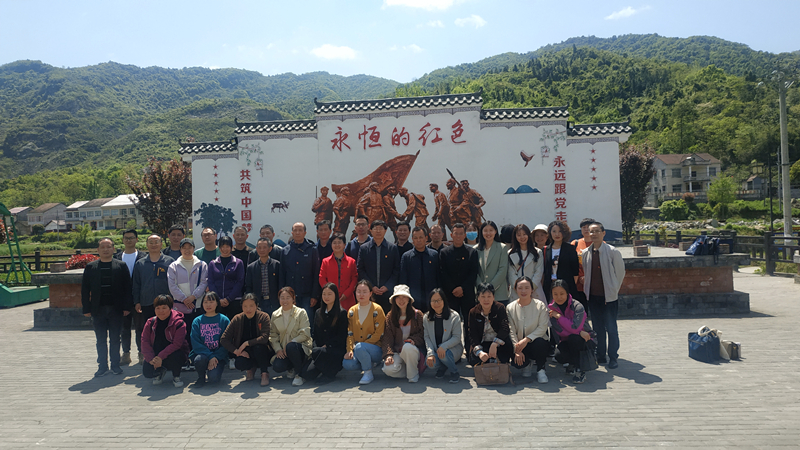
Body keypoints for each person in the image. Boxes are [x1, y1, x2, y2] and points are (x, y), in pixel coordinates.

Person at [82, 238, 133, 377]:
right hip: (97, 309)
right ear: (98, 250)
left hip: (116, 309)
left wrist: (127, 307)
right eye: (103, 247)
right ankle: (102, 366)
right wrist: (86, 308)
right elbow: (85, 289)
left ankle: (115, 365)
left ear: (113, 249)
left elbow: (127, 288)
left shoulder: (121, 266)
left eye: (108, 247)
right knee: (100, 339)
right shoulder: (91, 267)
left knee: (115, 338)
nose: (106, 249)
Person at [582, 222, 626, 369]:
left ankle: (613, 356)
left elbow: (620, 274)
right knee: (597, 328)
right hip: (593, 297)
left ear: (603, 233)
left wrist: (612, 291)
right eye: (591, 231)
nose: (593, 234)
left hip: (609, 298)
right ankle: (600, 355)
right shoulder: (586, 252)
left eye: (596, 231)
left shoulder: (613, 252)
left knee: (611, 328)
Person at [132, 235, 175, 365]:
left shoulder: (169, 261)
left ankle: (164, 355)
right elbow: (136, 284)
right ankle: (145, 354)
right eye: (151, 242)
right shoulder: (140, 263)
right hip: (146, 302)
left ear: (161, 244)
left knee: (165, 329)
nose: (154, 244)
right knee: (146, 330)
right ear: (147, 244)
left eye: (156, 242)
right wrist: (137, 301)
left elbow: (174, 282)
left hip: (165, 304)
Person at [548, 279, 596, 384]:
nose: (559, 297)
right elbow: (560, 331)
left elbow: (575, 328)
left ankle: (580, 370)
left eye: (562, 293)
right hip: (567, 340)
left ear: (567, 293)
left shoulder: (578, 307)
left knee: (574, 338)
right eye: (555, 294)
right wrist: (579, 332)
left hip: (586, 339)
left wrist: (559, 317)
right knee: (559, 356)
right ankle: (573, 363)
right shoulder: (552, 309)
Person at [220, 293, 272, 386]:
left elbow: (264, 338)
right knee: (239, 363)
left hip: (262, 351)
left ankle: (264, 373)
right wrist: (236, 351)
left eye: (251, 306)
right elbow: (224, 339)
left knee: (258, 348)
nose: (248, 309)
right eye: (245, 306)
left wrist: (247, 343)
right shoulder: (237, 319)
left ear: (256, 305)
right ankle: (250, 369)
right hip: (245, 352)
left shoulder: (264, 316)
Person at [300, 283, 349, 382]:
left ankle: (330, 373)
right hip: (320, 351)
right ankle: (323, 369)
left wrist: (327, 345)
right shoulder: (318, 312)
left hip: (334, 350)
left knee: (319, 354)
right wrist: (316, 347)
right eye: (324, 294)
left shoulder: (341, 313)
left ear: (336, 295)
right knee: (306, 374)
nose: (326, 297)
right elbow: (315, 334)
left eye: (329, 294)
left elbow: (342, 336)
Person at [167, 238, 208, 352]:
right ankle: (184, 357)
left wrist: (193, 297)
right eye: (184, 248)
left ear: (194, 248)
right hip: (180, 307)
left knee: (196, 333)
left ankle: (196, 355)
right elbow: (172, 286)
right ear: (180, 249)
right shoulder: (173, 266)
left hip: (197, 306)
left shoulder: (202, 265)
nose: (187, 250)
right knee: (181, 334)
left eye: (189, 247)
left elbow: (204, 283)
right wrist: (185, 299)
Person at [438, 223, 479, 339]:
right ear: (451, 235)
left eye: (461, 234)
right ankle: (452, 346)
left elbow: (473, 273)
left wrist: (462, 288)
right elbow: (443, 273)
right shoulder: (444, 253)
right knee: (451, 322)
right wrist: (453, 288)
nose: (458, 236)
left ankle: (470, 346)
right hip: (450, 294)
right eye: (456, 233)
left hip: (467, 293)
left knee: (469, 322)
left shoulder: (472, 252)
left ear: (465, 235)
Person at [342, 280, 387, 385]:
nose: (361, 294)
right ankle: (366, 363)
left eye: (364, 292)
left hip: (376, 349)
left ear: (370, 293)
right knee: (348, 363)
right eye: (358, 291)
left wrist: (362, 346)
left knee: (360, 347)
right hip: (358, 348)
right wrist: (350, 350)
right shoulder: (352, 311)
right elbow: (349, 333)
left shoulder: (377, 309)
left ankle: (368, 372)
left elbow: (380, 333)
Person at [506, 277, 550, 382]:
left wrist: (527, 339)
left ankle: (541, 369)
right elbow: (511, 330)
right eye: (520, 288)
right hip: (519, 344)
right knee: (517, 363)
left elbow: (543, 327)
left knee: (540, 343)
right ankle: (526, 364)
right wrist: (516, 349)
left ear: (532, 290)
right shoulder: (510, 307)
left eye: (527, 288)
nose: (523, 291)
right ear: (515, 289)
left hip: (535, 342)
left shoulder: (540, 305)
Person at [141, 294, 189, 387]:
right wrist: (151, 359)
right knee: (147, 372)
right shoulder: (150, 322)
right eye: (158, 308)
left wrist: (160, 357)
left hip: (174, 353)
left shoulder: (179, 323)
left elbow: (177, 344)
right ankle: (159, 372)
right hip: (156, 353)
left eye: (164, 308)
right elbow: (144, 341)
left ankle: (176, 376)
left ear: (170, 308)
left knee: (177, 356)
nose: (161, 311)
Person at [269, 287, 313, 386]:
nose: (285, 300)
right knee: (277, 366)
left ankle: (299, 374)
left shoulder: (301, 312)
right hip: (284, 350)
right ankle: (291, 368)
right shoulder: (275, 314)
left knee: (291, 346)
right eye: (282, 298)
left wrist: (291, 342)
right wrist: (278, 350)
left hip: (300, 347)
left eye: (288, 297)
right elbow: (273, 335)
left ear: (293, 298)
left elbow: (305, 333)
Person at [381, 285, 426, 383]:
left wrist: (413, 340)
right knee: (388, 369)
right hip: (397, 351)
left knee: (407, 347)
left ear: (409, 299)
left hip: (413, 351)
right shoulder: (390, 316)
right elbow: (387, 338)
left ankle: (412, 375)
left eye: (404, 297)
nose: (401, 300)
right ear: (394, 300)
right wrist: (388, 355)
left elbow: (423, 334)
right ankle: (410, 370)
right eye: (398, 297)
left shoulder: (417, 314)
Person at [114, 228, 145, 366]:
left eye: (131, 238)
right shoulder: (116, 257)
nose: (129, 240)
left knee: (140, 328)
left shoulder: (143, 257)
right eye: (126, 238)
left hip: (139, 299)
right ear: (122, 240)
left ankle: (142, 353)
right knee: (124, 328)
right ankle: (126, 354)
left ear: (136, 239)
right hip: (122, 300)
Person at [281, 222, 321, 329]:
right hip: (290, 295)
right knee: (291, 324)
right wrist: (283, 295)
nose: (297, 233)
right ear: (292, 233)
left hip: (307, 295)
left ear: (305, 233)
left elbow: (316, 273)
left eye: (300, 230)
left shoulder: (312, 249)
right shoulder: (285, 251)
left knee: (307, 323)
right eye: (295, 230)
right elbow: (282, 274)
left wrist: (314, 295)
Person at [356, 219, 400, 312]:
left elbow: (396, 269)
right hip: (369, 292)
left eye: (381, 228)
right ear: (371, 231)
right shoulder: (364, 248)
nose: (378, 231)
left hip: (387, 292)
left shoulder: (392, 248)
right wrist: (371, 286)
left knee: (387, 317)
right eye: (376, 228)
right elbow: (360, 269)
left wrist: (387, 286)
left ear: (385, 230)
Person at [423, 288, 463, 383]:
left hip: (452, 350)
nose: (436, 303)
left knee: (444, 355)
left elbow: (457, 337)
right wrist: (430, 353)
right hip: (436, 351)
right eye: (433, 301)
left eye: (439, 300)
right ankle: (443, 366)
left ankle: (454, 372)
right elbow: (427, 337)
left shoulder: (454, 316)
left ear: (444, 300)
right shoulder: (426, 317)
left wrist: (443, 347)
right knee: (430, 363)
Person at [190, 292, 230, 386]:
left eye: (211, 302)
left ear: (217, 303)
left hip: (218, 356)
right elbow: (195, 342)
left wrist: (215, 357)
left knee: (214, 379)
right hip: (202, 355)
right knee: (199, 359)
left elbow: (227, 342)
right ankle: (201, 377)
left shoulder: (224, 320)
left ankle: (214, 371)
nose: (208, 305)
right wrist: (210, 356)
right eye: (205, 302)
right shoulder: (197, 321)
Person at [468, 283, 512, 365]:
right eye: (483, 296)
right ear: (478, 298)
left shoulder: (500, 307)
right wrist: (480, 352)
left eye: (489, 296)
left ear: (493, 297)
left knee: (504, 358)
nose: (486, 300)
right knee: (474, 360)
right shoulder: (473, 312)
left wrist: (495, 343)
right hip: (483, 342)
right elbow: (472, 333)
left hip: (499, 341)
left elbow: (505, 328)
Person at [399, 226, 439, 313]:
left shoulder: (434, 255)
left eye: (421, 237)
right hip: (413, 297)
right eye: (416, 238)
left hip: (431, 296)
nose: (418, 240)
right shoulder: (406, 257)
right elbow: (403, 279)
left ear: (426, 238)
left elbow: (438, 277)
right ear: (412, 239)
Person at [207, 236, 246, 321]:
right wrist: (218, 299)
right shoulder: (213, 264)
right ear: (219, 248)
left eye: (227, 246)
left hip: (234, 301)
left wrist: (229, 299)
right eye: (222, 247)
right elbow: (211, 282)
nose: (224, 249)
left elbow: (240, 282)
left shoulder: (238, 263)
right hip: (217, 302)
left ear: (231, 247)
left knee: (234, 325)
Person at [542, 220, 580, 304]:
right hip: (550, 286)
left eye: (560, 231)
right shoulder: (546, 249)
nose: (557, 234)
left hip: (566, 286)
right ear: (550, 233)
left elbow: (575, 271)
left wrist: (569, 286)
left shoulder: (570, 249)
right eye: (554, 231)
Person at [319, 233, 358, 310]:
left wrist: (347, 293)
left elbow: (354, 279)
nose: (337, 245)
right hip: (330, 298)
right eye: (334, 243)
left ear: (344, 245)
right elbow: (322, 278)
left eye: (339, 242)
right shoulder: (325, 261)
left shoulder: (351, 261)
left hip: (347, 298)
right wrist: (329, 292)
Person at [475, 221, 509, 305]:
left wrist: (490, 288)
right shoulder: (476, 249)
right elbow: (474, 270)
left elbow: (502, 270)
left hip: (499, 294)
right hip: (481, 295)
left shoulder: (502, 248)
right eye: (485, 230)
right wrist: (481, 288)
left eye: (491, 230)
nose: (488, 233)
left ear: (495, 231)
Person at [507, 224, 544, 302]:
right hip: (516, 291)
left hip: (534, 290)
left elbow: (538, 271)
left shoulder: (537, 252)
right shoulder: (510, 253)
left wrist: (530, 288)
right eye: (519, 235)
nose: (522, 237)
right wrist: (519, 288)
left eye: (524, 234)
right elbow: (511, 273)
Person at [244, 237, 282, 314]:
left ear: (270, 249)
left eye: (264, 247)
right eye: (259, 247)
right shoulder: (251, 267)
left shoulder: (277, 265)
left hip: (274, 302)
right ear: (256, 249)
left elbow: (281, 284)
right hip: (258, 303)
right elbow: (248, 286)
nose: (262, 250)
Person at [572, 218, 595, 308]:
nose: (586, 229)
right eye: (583, 227)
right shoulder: (575, 244)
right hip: (578, 286)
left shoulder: (600, 244)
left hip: (594, 286)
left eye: (588, 227)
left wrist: (588, 277)